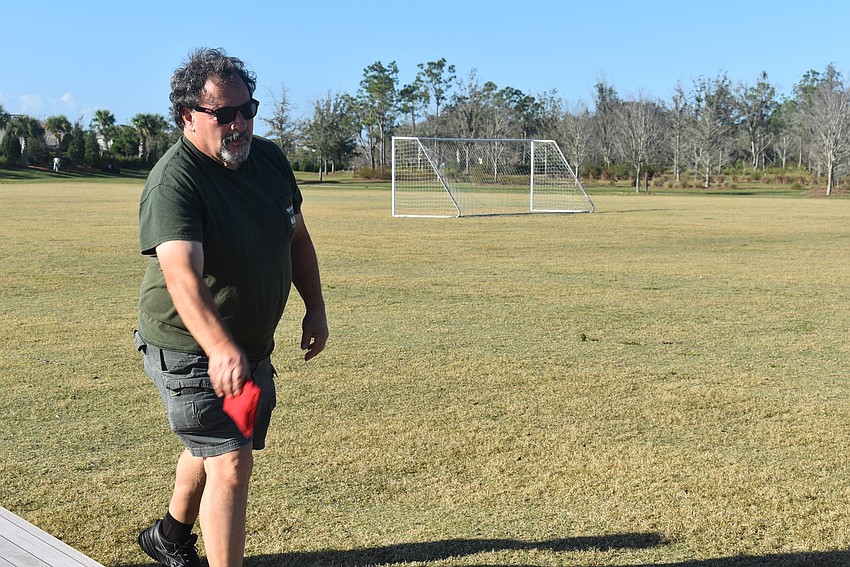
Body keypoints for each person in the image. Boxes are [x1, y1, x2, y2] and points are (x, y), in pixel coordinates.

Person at [134, 47, 328, 567]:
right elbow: (181, 275)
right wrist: (219, 347)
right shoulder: (175, 180)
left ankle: (169, 535)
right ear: (188, 118)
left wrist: (316, 307)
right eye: (224, 114)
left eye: (248, 109)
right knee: (231, 461)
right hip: (192, 348)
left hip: (247, 347)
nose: (239, 123)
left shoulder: (269, 160)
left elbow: (298, 239)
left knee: (219, 441)